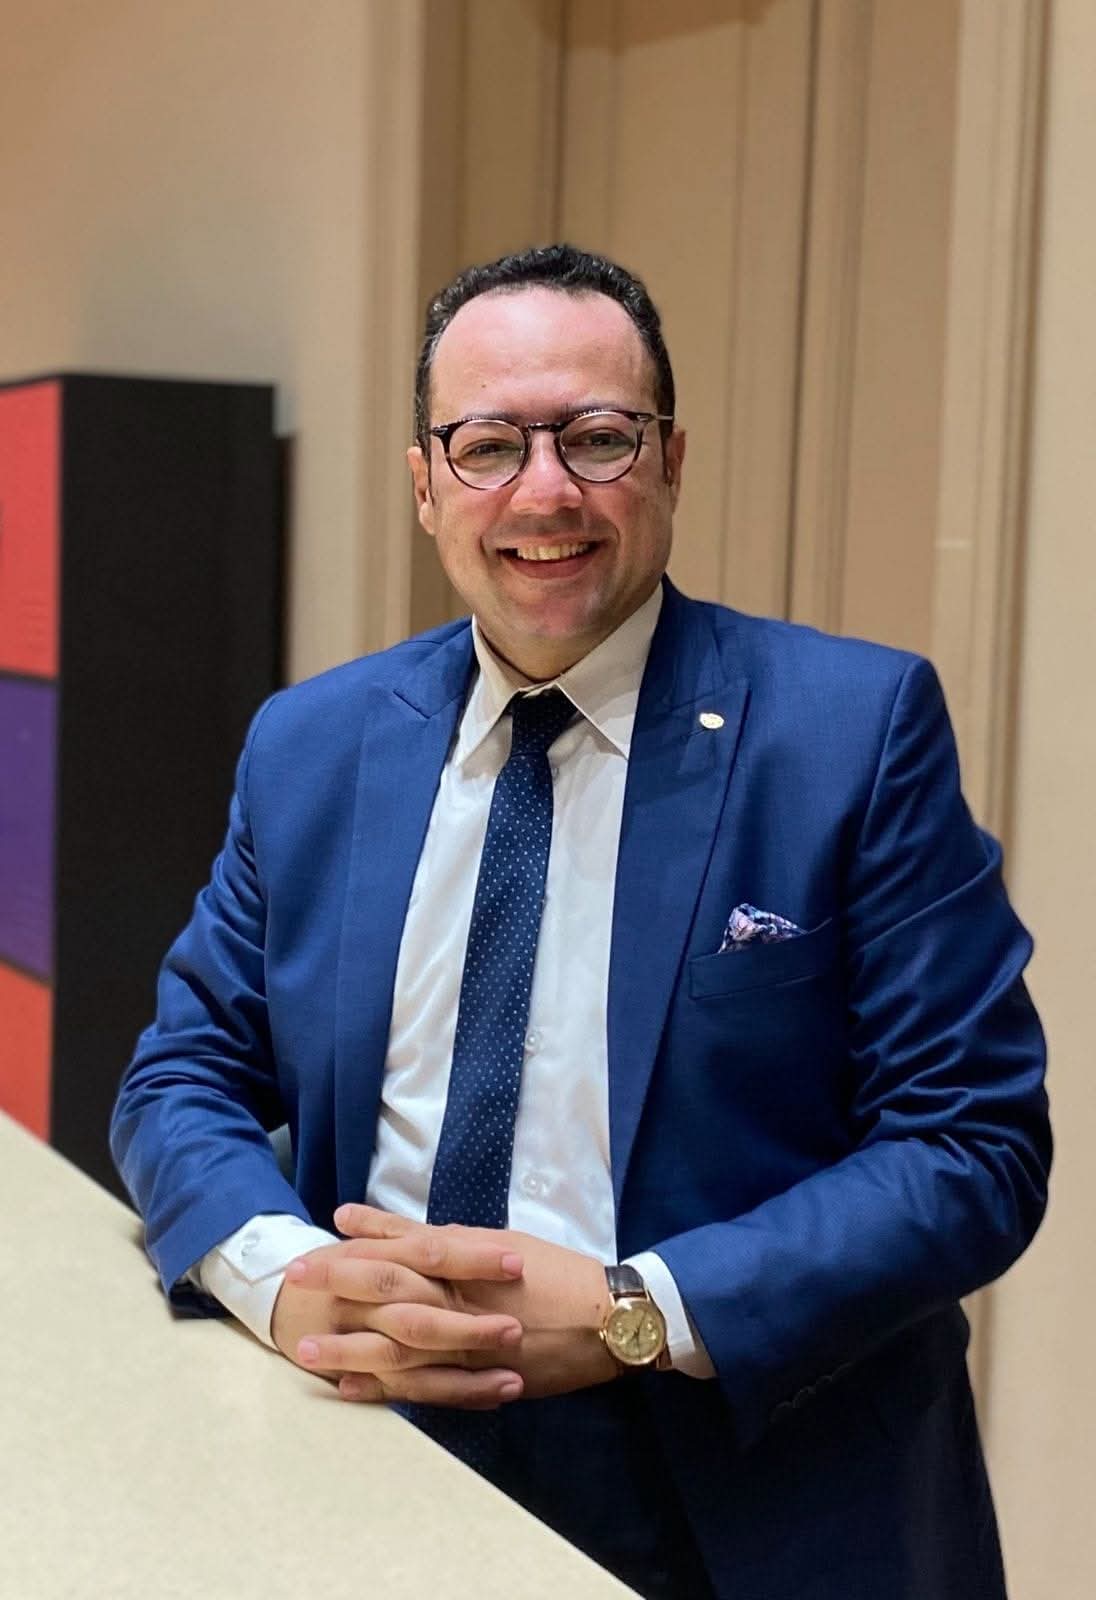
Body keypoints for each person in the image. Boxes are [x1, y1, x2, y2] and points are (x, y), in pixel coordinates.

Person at [111, 243, 1050, 1599]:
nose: (546, 491)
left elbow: (973, 1147)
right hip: (371, 1450)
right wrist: (286, 1276)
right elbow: (182, 1076)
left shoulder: (853, 733)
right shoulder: (312, 746)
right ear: (427, 484)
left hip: (740, 1488)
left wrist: (634, 1314)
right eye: (490, 446)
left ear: (671, 463)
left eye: (599, 438)